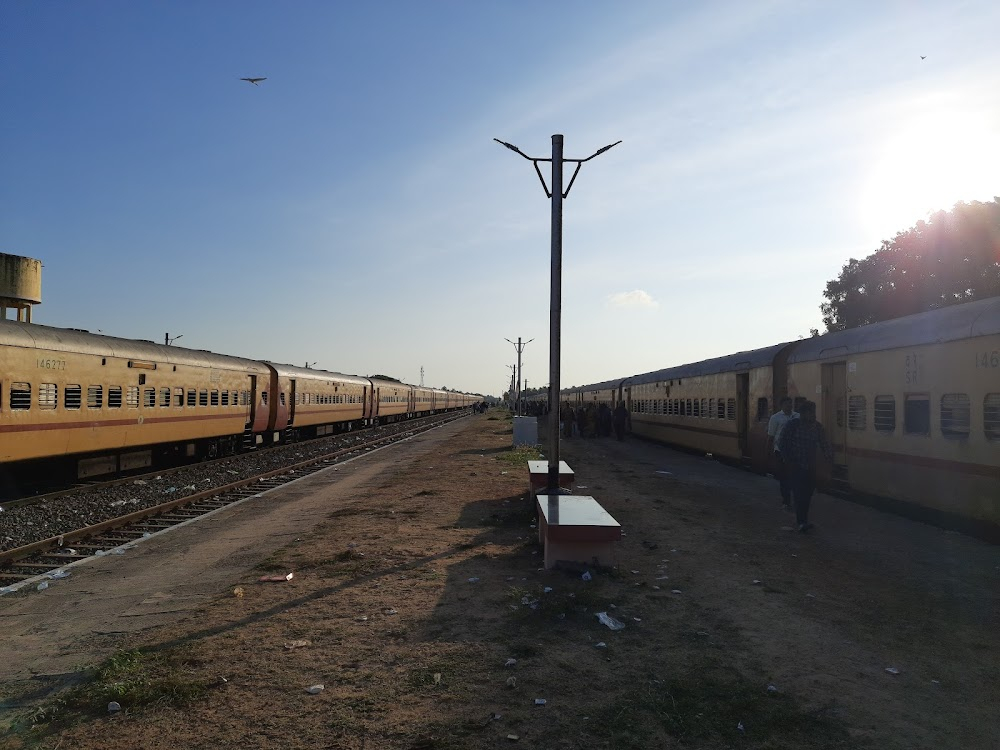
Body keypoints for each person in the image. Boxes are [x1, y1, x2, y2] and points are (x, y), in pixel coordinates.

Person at [775, 400, 832, 533]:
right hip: (796, 465)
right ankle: (801, 521)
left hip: (811, 466)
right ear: (803, 413)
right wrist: (787, 459)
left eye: (814, 412)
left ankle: (803, 519)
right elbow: (781, 441)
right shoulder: (792, 425)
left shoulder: (817, 427)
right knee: (799, 494)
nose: (814, 415)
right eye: (811, 412)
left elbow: (824, 444)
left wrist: (829, 458)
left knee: (807, 494)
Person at [766, 397, 798, 510]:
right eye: (787, 404)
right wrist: (769, 451)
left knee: (794, 476)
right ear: (782, 405)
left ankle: (794, 499)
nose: (789, 406)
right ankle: (786, 500)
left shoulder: (797, 416)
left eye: (790, 404)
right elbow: (771, 436)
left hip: (795, 452)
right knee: (784, 477)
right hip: (780, 451)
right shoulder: (775, 418)